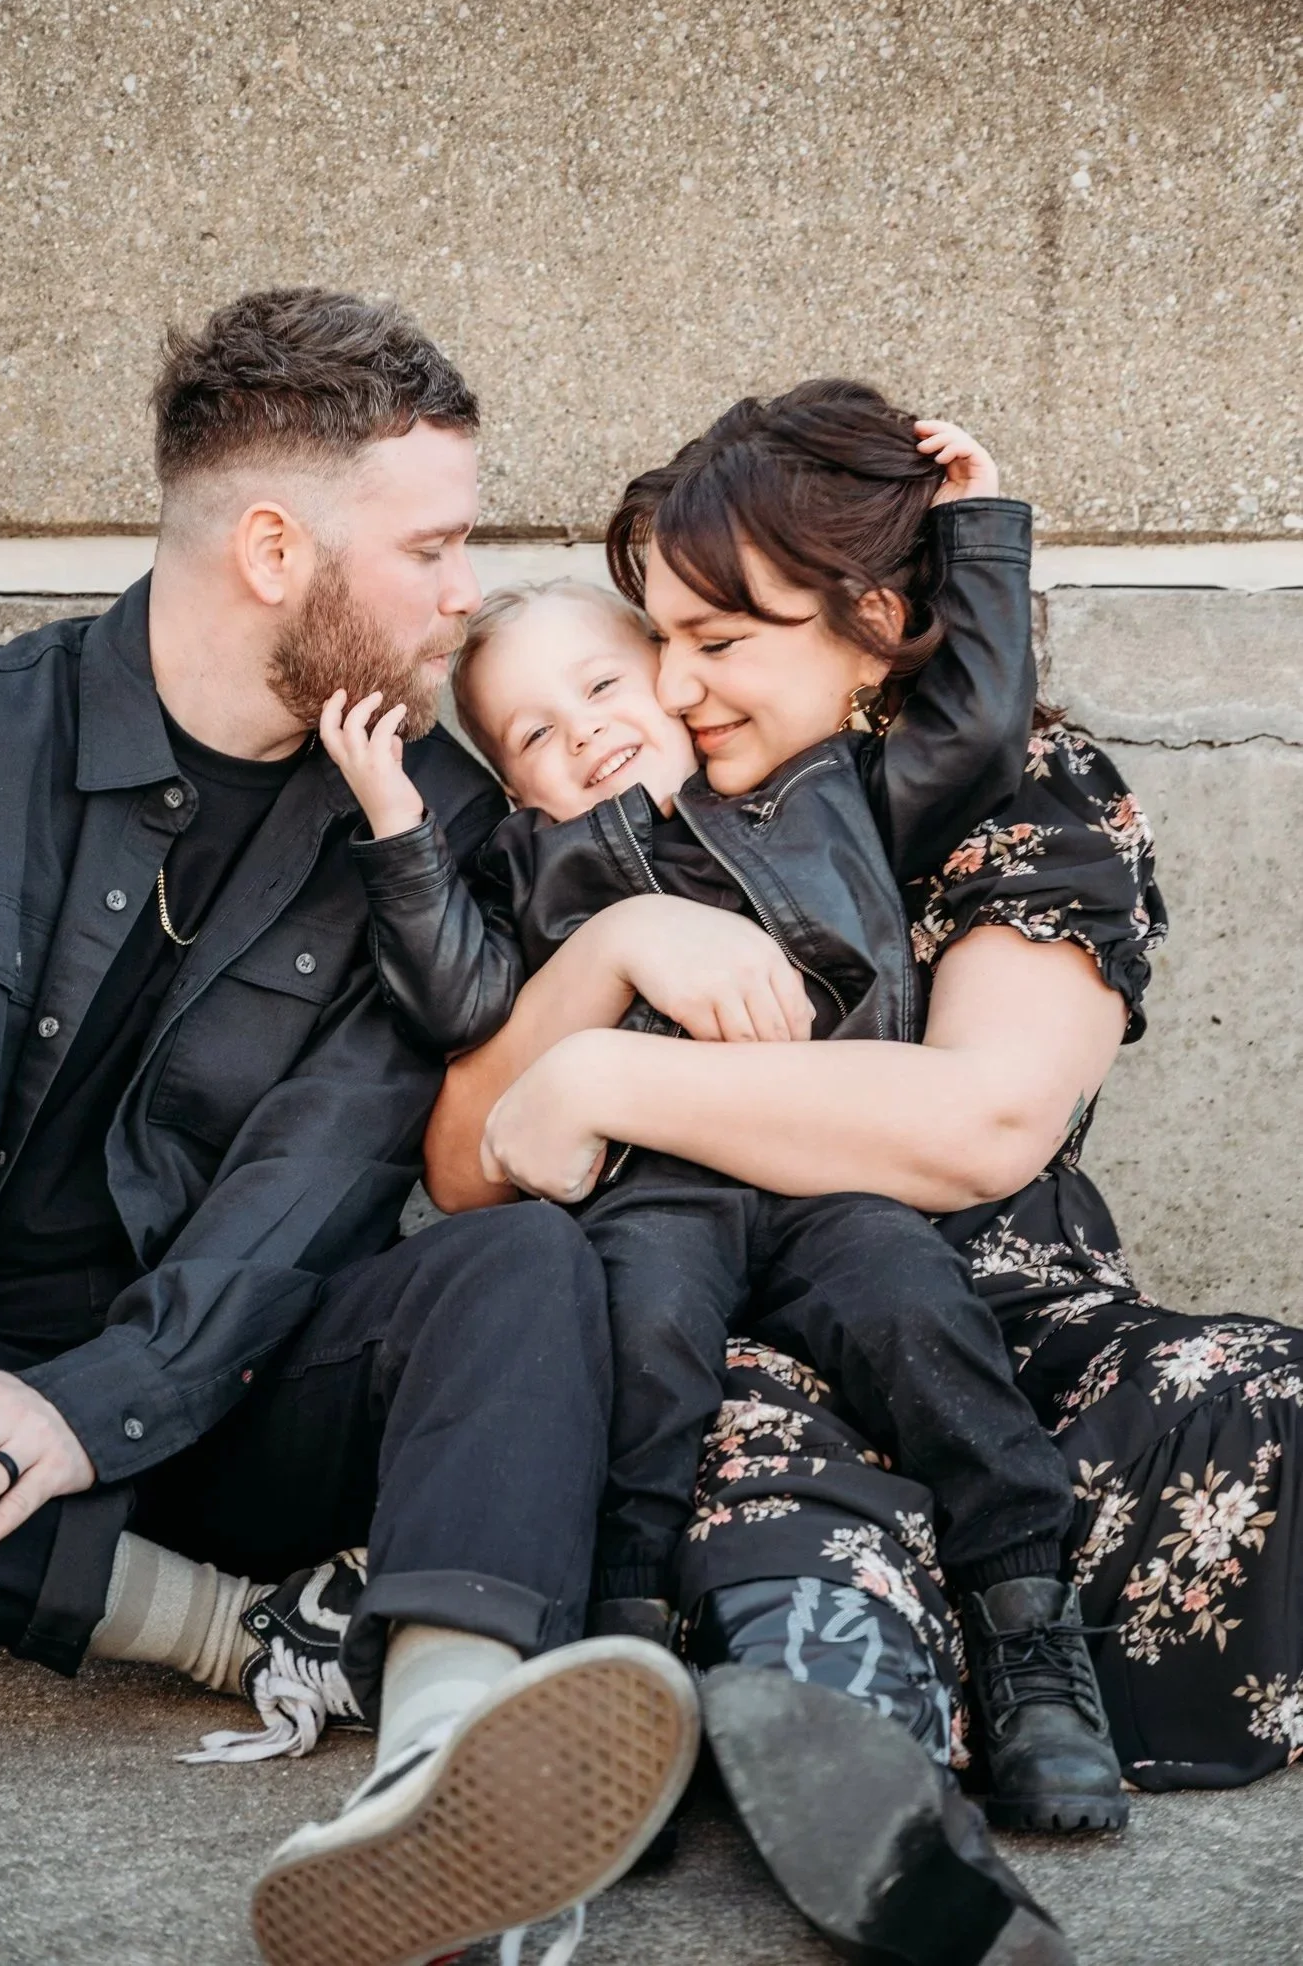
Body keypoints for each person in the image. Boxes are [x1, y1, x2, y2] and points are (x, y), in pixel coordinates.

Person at [425, 391, 1303, 1963]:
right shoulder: (611, 831)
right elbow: (471, 1161)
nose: (670, 690)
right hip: (718, 1318)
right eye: (657, 641)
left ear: (872, 624)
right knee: (756, 1471)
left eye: (718, 640)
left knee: (1248, 1394)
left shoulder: (1019, 787)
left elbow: (975, 1125)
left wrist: (611, 1072)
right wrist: (612, 954)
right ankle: (872, 1782)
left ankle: (981, 1670)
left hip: (997, 1315)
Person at [0, 286, 701, 1966]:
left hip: (214, 1382)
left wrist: (92, 1401)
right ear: (274, 548)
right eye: (433, 547)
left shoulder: (431, 829)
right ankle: (249, 1635)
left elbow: (316, 1176)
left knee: (517, 1264)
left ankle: (447, 1780)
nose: (465, 597)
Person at [320, 385, 1124, 1837]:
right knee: (639, 1359)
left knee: (914, 1320)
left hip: (840, 1192)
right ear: (511, 789)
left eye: (638, 678)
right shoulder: (540, 868)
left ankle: (1026, 1633)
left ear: (868, 622)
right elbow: (456, 1030)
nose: (616, 727)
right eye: (537, 738)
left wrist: (983, 534)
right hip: (661, 1195)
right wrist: (411, 840)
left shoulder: (847, 792)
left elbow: (977, 712)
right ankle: (610, 1685)